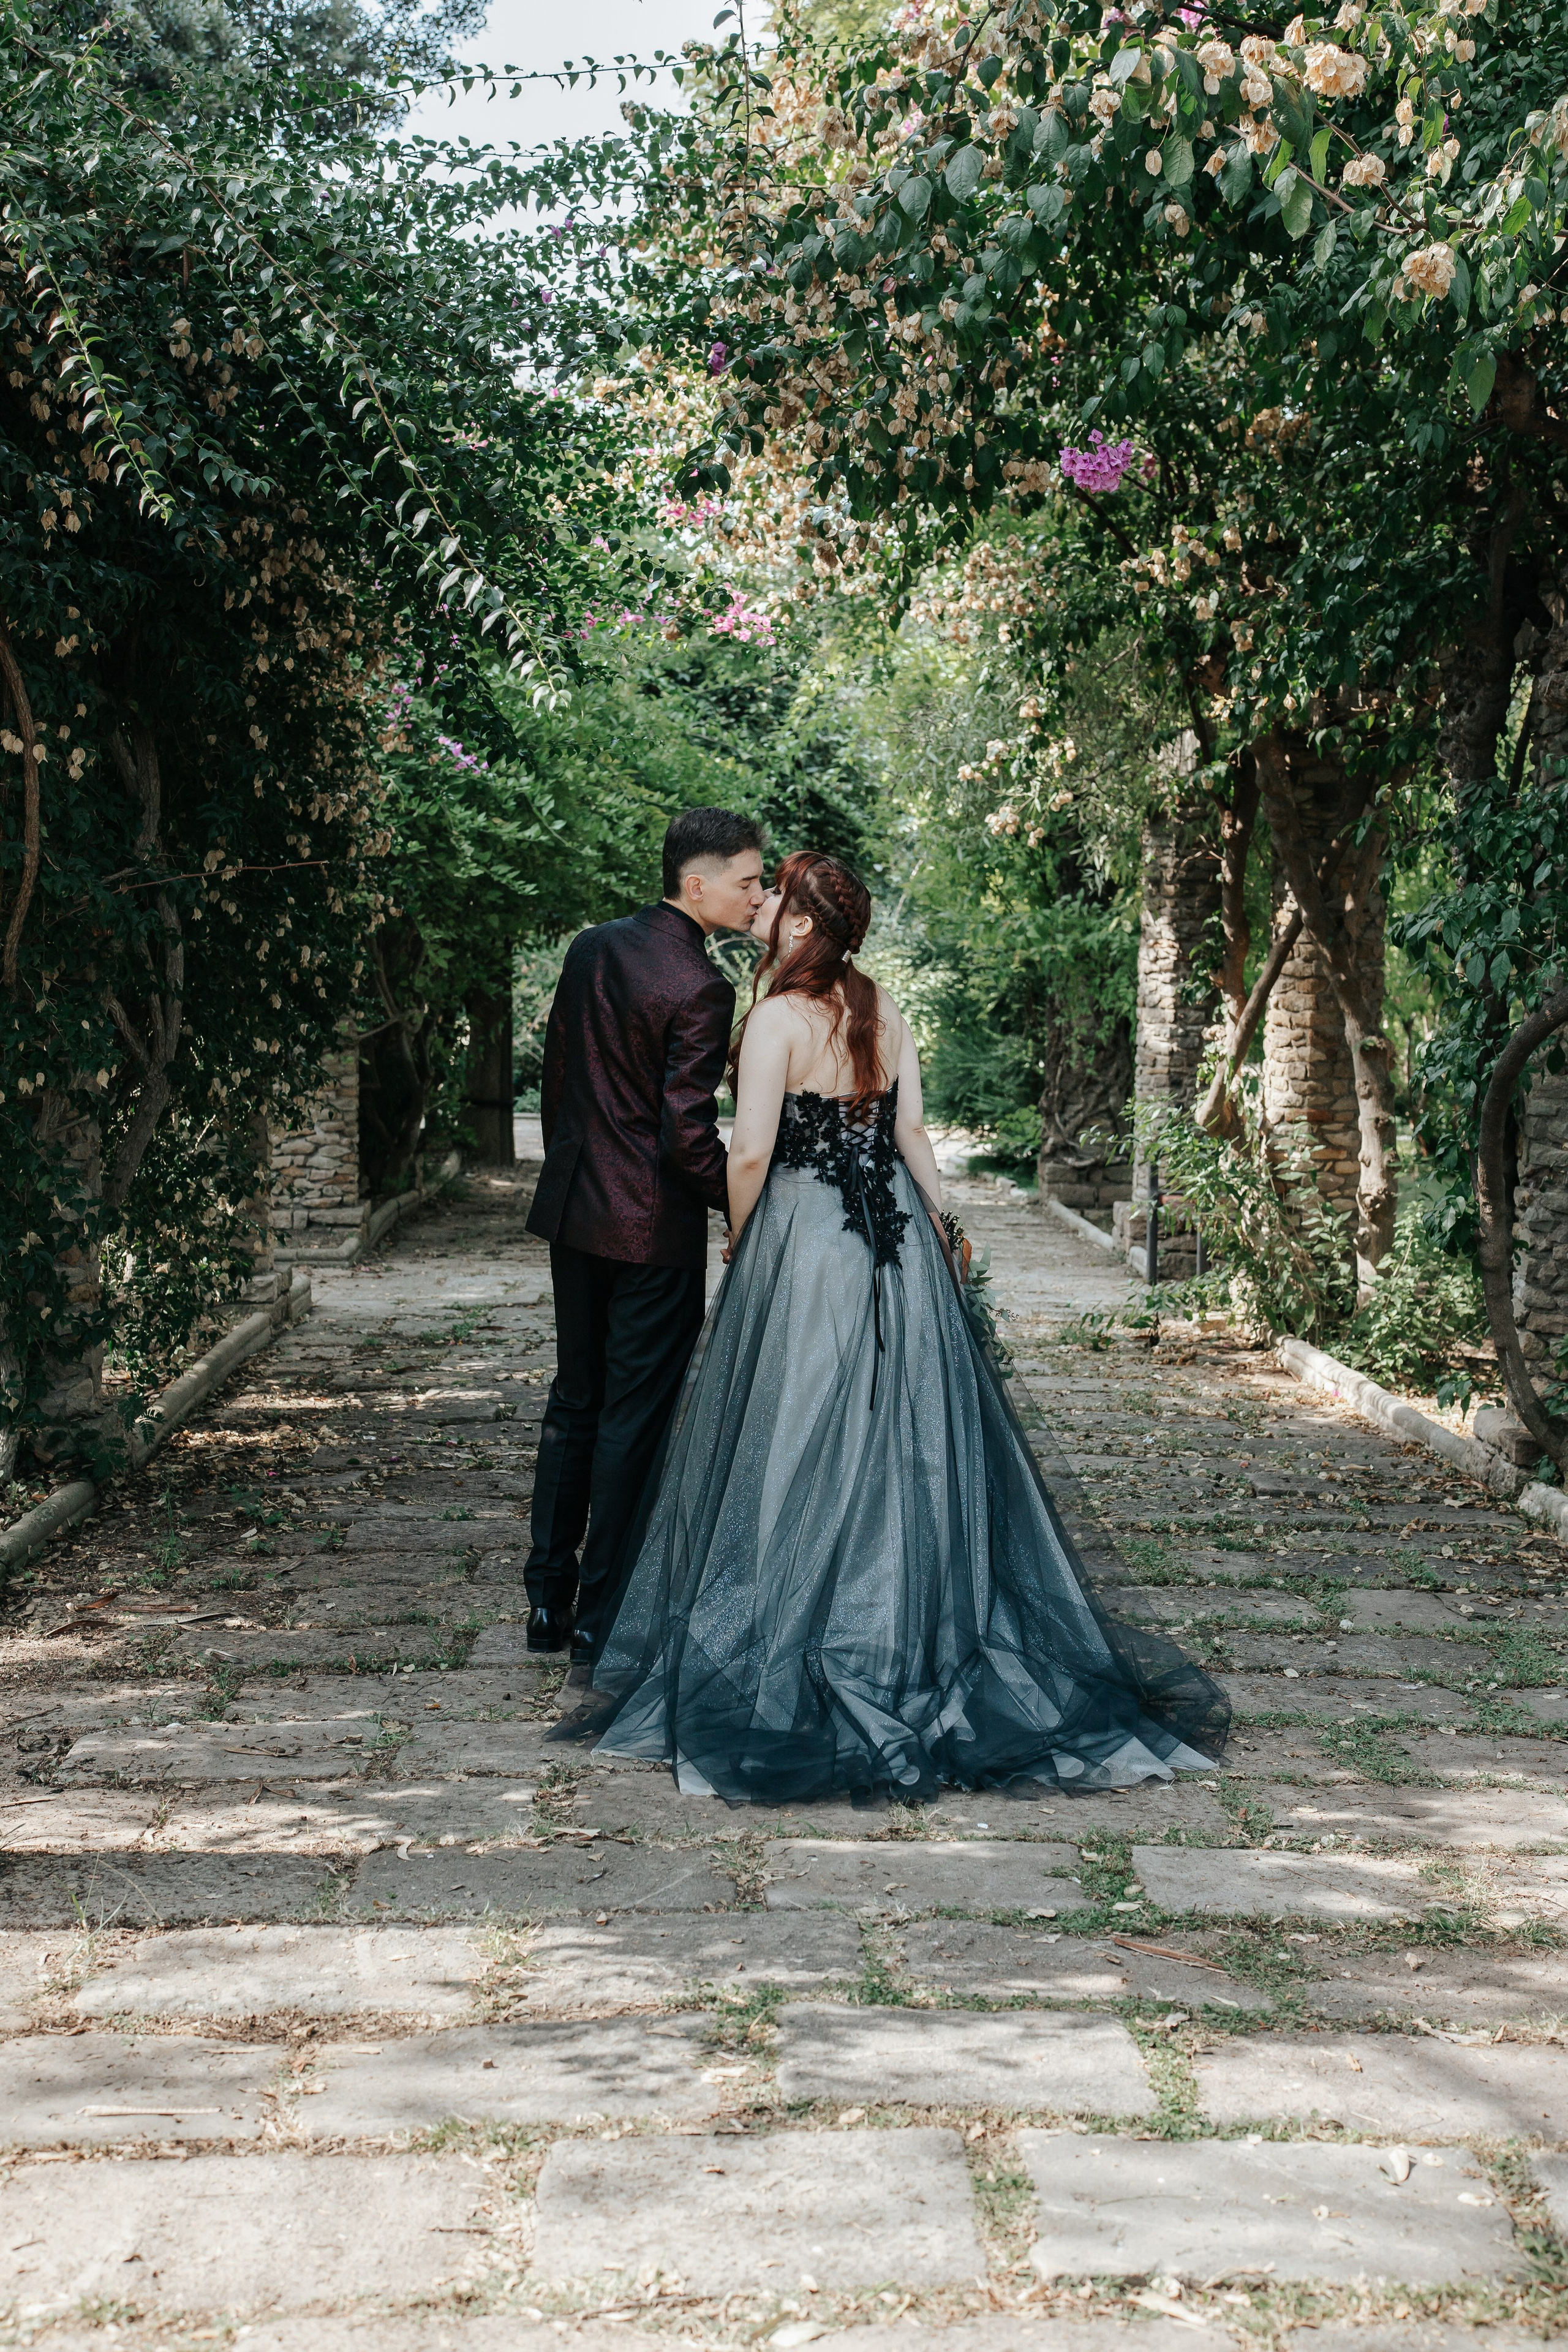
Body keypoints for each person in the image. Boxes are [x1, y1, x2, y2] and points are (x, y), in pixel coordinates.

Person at [586, 850, 1230, 1801]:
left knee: (798, 1430)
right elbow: (914, 1136)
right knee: (904, 1440)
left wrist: (741, 1236)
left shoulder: (775, 1019)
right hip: (895, 1239)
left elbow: (754, 1148)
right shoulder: (881, 1008)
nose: (759, 906)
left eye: (775, 898)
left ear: (801, 927)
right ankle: (898, 1623)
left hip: (806, 1237)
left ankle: (801, 1633)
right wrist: (940, 1236)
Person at [522, 807, 766, 1662]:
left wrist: (572, 1169)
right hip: (652, 1229)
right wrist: (746, 1209)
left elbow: (561, 1081)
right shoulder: (701, 984)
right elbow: (686, 1136)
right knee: (635, 1417)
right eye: (746, 881)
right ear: (693, 883)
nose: (757, 895)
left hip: (575, 1209)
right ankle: (603, 1613)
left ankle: (547, 1603)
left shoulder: (592, 948)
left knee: (573, 1403)